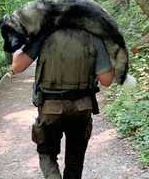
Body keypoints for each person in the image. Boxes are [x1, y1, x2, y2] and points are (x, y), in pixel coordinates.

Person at [11, 29, 114, 179]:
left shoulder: (43, 33)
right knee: (75, 160)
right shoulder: (94, 36)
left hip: (50, 108)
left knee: (46, 153)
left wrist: (17, 46)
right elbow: (107, 80)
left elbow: (17, 67)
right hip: (82, 107)